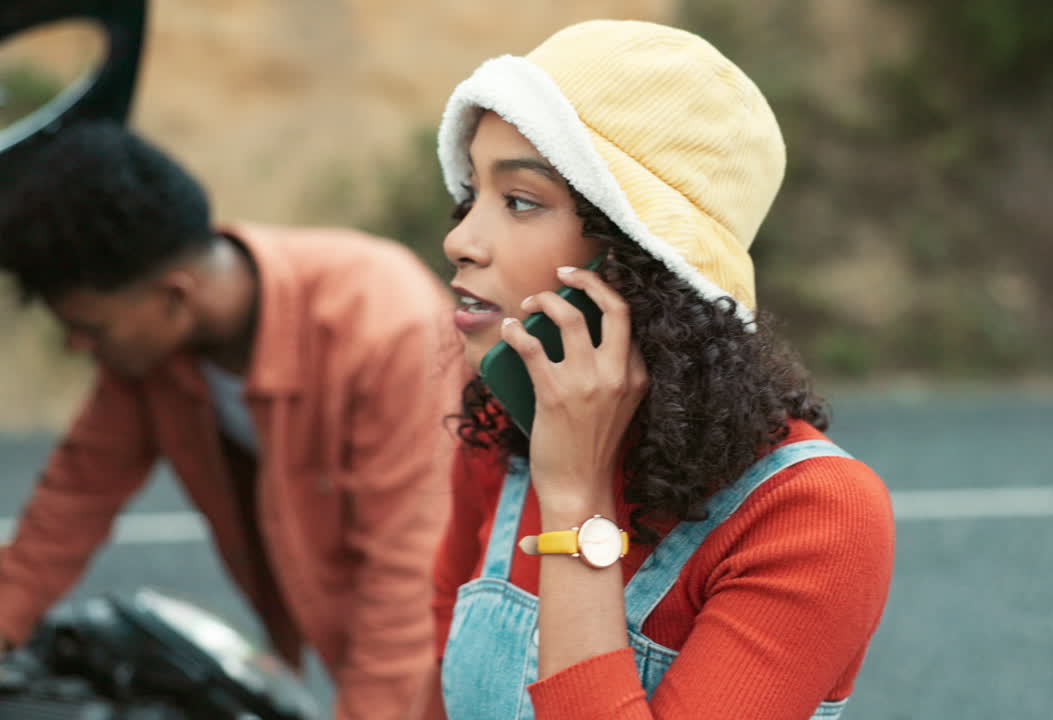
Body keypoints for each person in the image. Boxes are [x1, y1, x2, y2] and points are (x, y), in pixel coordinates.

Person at [427, 19, 895, 720]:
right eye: (471, 198)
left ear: (637, 258)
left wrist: (576, 498)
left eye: (519, 201)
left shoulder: (815, 517)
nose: (458, 239)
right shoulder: (505, 428)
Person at [0, 121, 468, 719]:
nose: (76, 346)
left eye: (92, 328)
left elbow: (410, 579)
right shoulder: (147, 353)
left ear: (176, 294)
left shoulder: (385, 325)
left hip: (482, 635)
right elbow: (72, 499)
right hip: (366, 646)